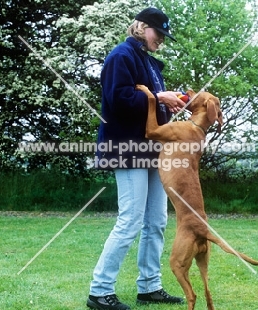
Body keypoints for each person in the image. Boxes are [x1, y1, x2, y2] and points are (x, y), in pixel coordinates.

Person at [87, 7, 186, 310]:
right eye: (159, 34)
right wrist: (160, 97)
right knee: (130, 221)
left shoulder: (148, 61)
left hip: (152, 152)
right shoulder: (121, 56)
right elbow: (118, 100)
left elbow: (151, 107)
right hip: (127, 150)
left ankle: (149, 287)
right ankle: (99, 291)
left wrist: (172, 103)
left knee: (156, 221)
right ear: (142, 27)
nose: (162, 41)